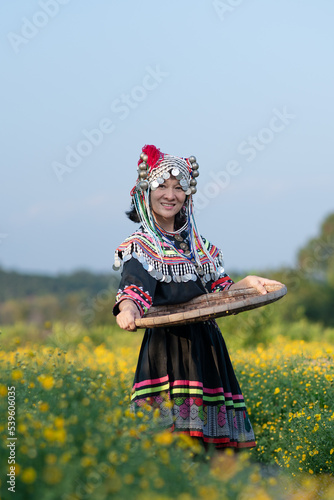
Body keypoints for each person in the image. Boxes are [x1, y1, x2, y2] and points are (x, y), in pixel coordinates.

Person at [113, 144, 282, 451]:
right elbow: (134, 288)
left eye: (179, 188)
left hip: (208, 348)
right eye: (162, 186)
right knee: (169, 448)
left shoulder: (198, 245)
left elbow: (221, 290)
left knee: (219, 449)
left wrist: (248, 283)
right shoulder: (141, 245)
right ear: (145, 192)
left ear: (188, 196)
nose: (170, 195)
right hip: (168, 350)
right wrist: (126, 309)